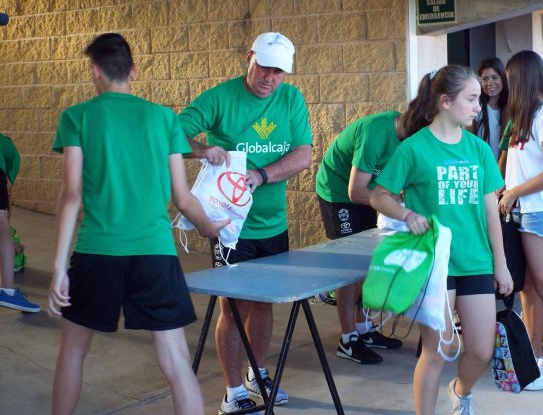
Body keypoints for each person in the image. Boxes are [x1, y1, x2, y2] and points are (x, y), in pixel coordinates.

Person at [47, 33, 228, 415]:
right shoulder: (163, 118)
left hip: (97, 252)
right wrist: (210, 228)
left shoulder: (77, 117)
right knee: (178, 363)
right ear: (133, 69)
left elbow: (72, 196)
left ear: (94, 71)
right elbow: (182, 197)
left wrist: (60, 268)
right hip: (155, 255)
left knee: (72, 354)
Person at [178, 32, 312, 413]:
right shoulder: (221, 97)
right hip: (229, 226)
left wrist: (262, 175)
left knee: (265, 304)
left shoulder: (291, 98)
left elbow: (303, 154)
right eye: (265, 67)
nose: (271, 77)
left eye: (279, 72)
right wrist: (203, 150)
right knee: (233, 307)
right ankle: (233, 391)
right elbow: (174, 132)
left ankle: (259, 372)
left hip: (273, 223)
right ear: (249, 58)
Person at [370, 65, 513, 415]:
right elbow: (379, 195)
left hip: (476, 259)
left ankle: (461, 392)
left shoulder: (479, 150)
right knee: (438, 349)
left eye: (479, 99)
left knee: (481, 350)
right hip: (435, 263)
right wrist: (406, 214)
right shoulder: (414, 149)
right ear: (446, 101)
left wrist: (502, 264)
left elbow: (491, 211)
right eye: (471, 99)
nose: (478, 106)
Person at [498, 50, 543, 390]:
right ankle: (533, 357)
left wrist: (513, 193)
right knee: (527, 288)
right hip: (522, 211)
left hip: (539, 212)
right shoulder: (525, 116)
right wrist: (506, 192)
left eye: (511, 78)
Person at [315, 111, 404, 365]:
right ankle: (348, 338)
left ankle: (364, 329)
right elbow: (355, 191)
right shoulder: (375, 133)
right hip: (339, 191)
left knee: (368, 261)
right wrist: (395, 203)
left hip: (371, 190)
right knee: (350, 266)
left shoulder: (413, 139)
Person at [0, 133, 40, 312]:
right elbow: (15, 157)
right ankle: (7, 291)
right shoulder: (5, 143)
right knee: (2, 228)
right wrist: (9, 179)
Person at [471, 57, 509, 160]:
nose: (489, 83)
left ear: (503, 78)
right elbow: (469, 139)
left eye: (495, 77)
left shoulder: (511, 105)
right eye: (485, 79)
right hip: (482, 166)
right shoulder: (476, 105)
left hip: (506, 168)